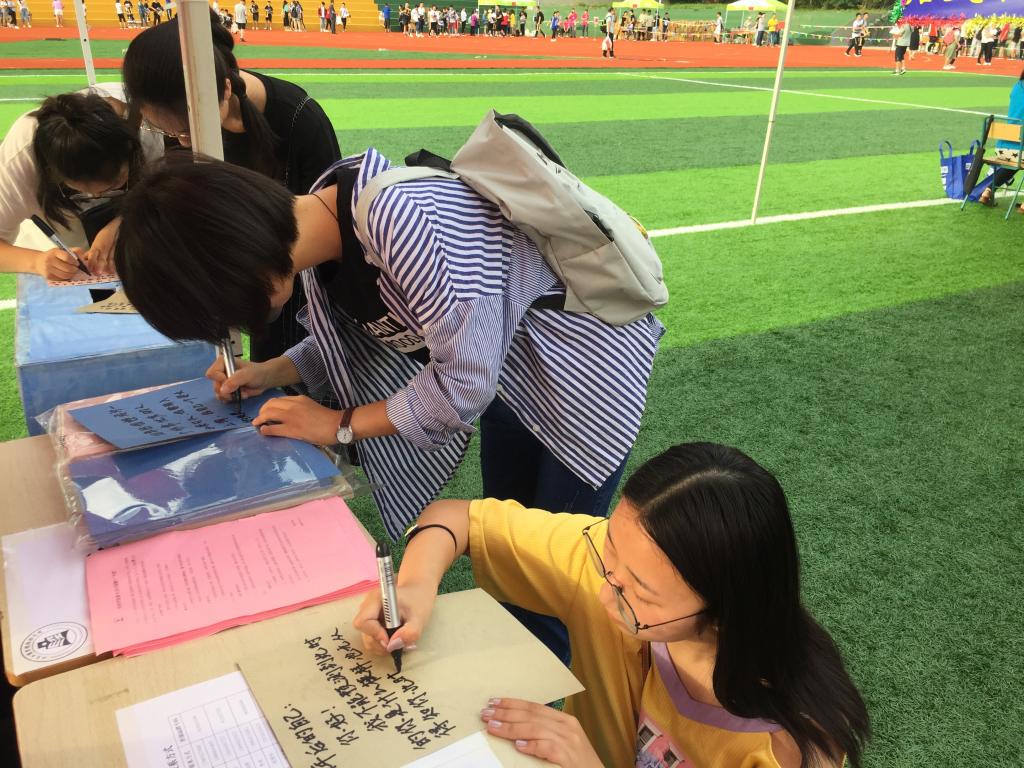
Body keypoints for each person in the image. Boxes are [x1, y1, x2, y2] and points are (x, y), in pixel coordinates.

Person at [114, 146, 663, 662]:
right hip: (514, 382)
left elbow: (462, 388)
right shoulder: (326, 220)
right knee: (505, 546)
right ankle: (517, 658)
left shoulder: (402, 225)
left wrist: (339, 425)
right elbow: (359, 337)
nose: (234, 325)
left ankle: (548, 688)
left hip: (583, 382)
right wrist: (271, 370)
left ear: (237, 268)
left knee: (556, 569)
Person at [352, 443, 871, 768]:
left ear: (723, 609)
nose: (604, 591)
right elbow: (457, 518)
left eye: (639, 592)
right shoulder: (613, 566)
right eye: (610, 553)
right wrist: (414, 586)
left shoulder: (789, 749)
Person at [122, 13, 340, 361]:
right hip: (251, 280)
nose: (182, 142)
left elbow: (330, 220)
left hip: (296, 284)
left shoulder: (300, 121)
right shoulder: (179, 116)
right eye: (167, 132)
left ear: (224, 89)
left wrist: (267, 275)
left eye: (186, 131)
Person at [0, 90, 162, 280]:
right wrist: (37, 261)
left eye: (116, 185)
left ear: (129, 151)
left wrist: (124, 221)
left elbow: (162, 198)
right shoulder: (18, 161)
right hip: (70, 244)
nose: (97, 197)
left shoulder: (147, 132)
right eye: (81, 191)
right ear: (53, 174)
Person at [978, 70, 1024, 213]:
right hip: (1020, 148)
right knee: (1018, 160)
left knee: (1013, 165)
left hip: (1003, 149)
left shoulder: (1017, 86)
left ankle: (987, 191)